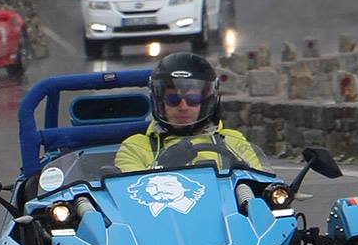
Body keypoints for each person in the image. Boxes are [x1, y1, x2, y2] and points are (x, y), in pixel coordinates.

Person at [114, 52, 265, 173]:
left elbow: (258, 185)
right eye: (173, 99)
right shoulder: (134, 147)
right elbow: (131, 196)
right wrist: (162, 166)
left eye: (192, 99)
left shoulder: (233, 141)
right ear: (159, 101)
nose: (183, 107)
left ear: (206, 101)